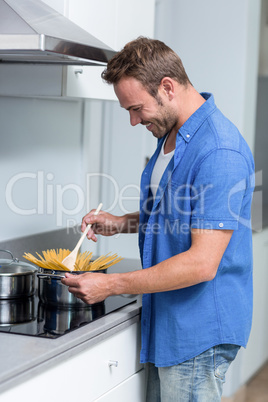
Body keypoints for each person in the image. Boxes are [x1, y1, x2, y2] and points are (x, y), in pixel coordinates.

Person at [62, 37, 255, 401]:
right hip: (167, 317)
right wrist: (120, 223)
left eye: (136, 108)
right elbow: (176, 215)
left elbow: (201, 263)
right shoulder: (172, 135)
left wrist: (110, 285)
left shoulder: (218, 150)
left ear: (167, 87)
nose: (134, 121)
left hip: (197, 330)